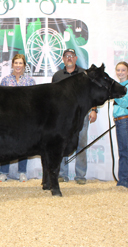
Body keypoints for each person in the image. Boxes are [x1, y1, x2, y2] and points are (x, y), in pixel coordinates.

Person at [51, 48, 97, 185]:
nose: (69, 58)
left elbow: (92, 93)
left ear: (76, 58)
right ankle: (62, 174)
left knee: (81, 143)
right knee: (62, 143)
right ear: (63, 60)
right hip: (63, 117)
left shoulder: (84, 74)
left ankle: (80, 176)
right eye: (66, 56)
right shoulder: (57, 76)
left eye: (72, 56)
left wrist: (94, 109)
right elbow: (53, 96)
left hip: (81, 115)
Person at [0, 54, 36, 183]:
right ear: (12, 65)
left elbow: (33, 102)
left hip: (25, 119)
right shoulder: (5, 80)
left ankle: (22, 172)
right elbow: (0, 101)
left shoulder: (30, 81)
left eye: (21, 63)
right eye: (16, 63)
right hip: (7, 118)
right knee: (5, 145)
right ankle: (3, 173)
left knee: (24, 145)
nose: (18, 66)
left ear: (24, 66)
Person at [113, 61, 128, 189]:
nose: (120, 73)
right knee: (123, 151)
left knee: (126, 151)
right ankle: (123, 181)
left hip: (124, 120)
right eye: (118, 70)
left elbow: (124, 102)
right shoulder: (120, 86)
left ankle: (127, 182)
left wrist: (113, 94)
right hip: (119, 121)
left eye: (123, 70)